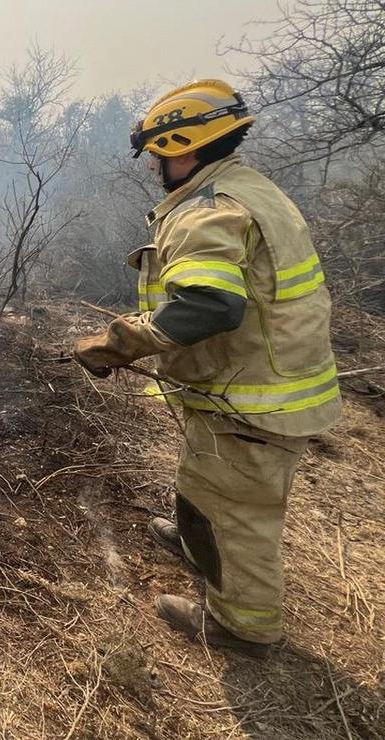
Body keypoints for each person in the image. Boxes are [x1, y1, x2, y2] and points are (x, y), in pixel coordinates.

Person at [73, 79, 342, 657]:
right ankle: (197, 541)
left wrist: (122, 344)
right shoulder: (248, 187)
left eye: (159, 156)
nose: (154, 168)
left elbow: (209, 304)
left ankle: (242, 626)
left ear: (185, 147)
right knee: (206, 478)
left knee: (238, 514)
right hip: (256, 381)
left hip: (253, 396)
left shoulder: (209, 209)